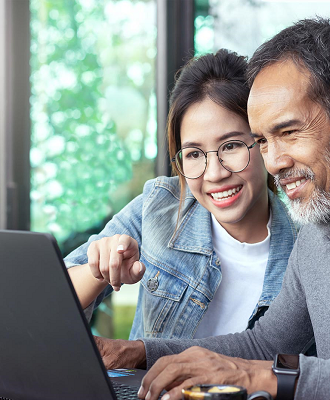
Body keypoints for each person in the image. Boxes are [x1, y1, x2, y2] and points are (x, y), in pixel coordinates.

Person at [94, 18, 330, 400]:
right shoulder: (319, 235)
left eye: (288, 133)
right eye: (263, 142)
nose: (273, 163)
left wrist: (260, 378)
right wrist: (139, 352)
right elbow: (264, 344)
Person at [64, 49, 298, 343]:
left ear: (263, 142)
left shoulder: (303, 253)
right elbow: (49, 301)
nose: (214, 173)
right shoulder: (159, 206)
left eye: (231, 146)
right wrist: (98, 271)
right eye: (194, 154)